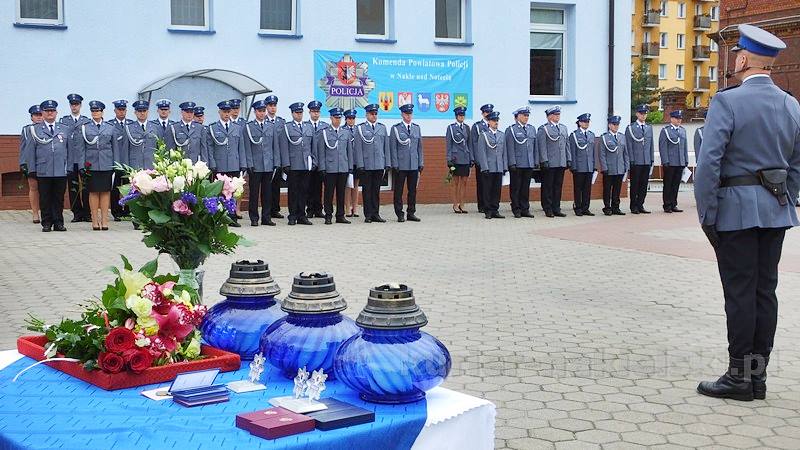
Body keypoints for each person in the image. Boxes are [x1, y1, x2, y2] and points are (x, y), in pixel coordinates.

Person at [694, 24, 799, 401]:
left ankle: (739, 377)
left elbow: (709, 163)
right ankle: (758, 377)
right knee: (763, 293)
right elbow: (797, 164)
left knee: (739, 295)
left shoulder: (727, 101)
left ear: (741, 59)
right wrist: (783, 198)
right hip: (776, 212)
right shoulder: (791, 103)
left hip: (735, 213)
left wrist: (707, 214)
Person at [23, 100, 70, 232]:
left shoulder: (64, 129)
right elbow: (30, 151)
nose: (50, 113)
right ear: (42, 113)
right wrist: (32, 169)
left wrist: (70, 167)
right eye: (47, 111)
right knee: (45, 198)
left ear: (56, 113)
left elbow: (69, 150)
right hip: (43, 169)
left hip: (61, 169)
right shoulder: (35, 130)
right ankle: (47, 223)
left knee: (59, 198)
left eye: (52, 111)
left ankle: (59, 222)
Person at [77, 101, 123, 230]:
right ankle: (94, 220)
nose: (95, 113)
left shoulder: (110, 127)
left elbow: (115, 148)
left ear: (102, 112)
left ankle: (104, 220)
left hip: (106, 164)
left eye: (97, 111)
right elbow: (81, 149)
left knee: (105, 192)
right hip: (91, 165)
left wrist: (116, 165)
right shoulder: (85, 127)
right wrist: (81, 166)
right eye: (93, 111)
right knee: (93, 192)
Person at [206, 100, 247, 227]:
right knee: (221, 192)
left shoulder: (237, 128)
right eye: (224, 111)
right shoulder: (213, 128)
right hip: (220, 165)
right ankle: (220, 217)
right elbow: (210, 148)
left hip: (234, 165)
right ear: (219, 112)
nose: (227, 114)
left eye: (228, 111)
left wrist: (243, 163)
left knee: (233, 192)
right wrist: (212, 163)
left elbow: (242, 147)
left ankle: (232, 217)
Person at [243, 99, 280, 227]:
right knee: (254, 193)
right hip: (256, 165)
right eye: (260, 111)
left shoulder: (271, 126)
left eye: (264, 110)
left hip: (268, 164)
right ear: (255, 112)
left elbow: (275, 146)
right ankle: (254, 217)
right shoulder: (248, 127)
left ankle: (266, 217)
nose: (262, 113)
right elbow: (247, 147)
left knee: (267, 193)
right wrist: (249, 163)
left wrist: (276, 162)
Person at [278, 102, 315, 226]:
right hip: (293, 164)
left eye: (300, 113)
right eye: (297, 113)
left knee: (304, 190)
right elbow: (284, 147)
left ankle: (302, 215)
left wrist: (314, 161)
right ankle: (292, 215)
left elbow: (312, 146)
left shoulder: (308, 127)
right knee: (293, 191)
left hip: (306, 164)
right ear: (292, 113)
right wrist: (286, 163)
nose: (299, 115)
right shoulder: (287, 127)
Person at [354, 103, 391, 223]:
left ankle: (376, 213)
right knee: (367, 190)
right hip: (366, 165)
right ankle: (368, 215)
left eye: (375, 114)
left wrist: (387, 163)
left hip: (379, 164)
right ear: (366, 115)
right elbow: (358, 148)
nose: (374, 116)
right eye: (371, 114)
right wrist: (360, 164)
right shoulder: (361, 128)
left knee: (376, 190)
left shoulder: (382, 128)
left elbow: (386, 147)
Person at [316, 108, 354, 224]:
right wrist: (322, 167)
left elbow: (349, 151)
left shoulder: (345, 132)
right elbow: (321, 152)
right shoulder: (324, 133)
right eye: (335, 118)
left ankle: (340, 215)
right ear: (331, 118)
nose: (337, 120)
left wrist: (350, 167)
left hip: (342, 167)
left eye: (339, 118)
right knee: (329, 193)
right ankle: (328, 215)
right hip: (330, 168)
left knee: (341, 193)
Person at [60, 93, 91, 223]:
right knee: (73, 187)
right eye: (72, 104)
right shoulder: (64, 121)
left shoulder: (86, 121)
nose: (74, 106)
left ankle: (87, 213)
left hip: (83, 159)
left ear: (80, 105)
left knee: (86, 187)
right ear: (70, 105)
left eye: (76, 104)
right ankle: (77, 213)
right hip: (70, 159)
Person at [390, 103, 423, 222]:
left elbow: (419, 147)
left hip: (413, 164)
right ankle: (399, 213)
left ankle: (411, 212)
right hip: (401, 164)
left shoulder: (416, 128)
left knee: (412, 190)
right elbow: (393, 148)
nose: (408, 116)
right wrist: (395, 164)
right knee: (398, 190)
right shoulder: (396, 128)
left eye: (410, 114)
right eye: (406, 114)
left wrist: (420, 162)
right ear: (402, 114)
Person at [537, 106, 570, 217]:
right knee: (548, 186)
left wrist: (568, 159)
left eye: (558, 114)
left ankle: (556, 208)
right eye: (555, 114)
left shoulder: (563, 128)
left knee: (558, 186)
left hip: (561, 161)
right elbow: (542, 146)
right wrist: (544, 160)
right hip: (550, 162)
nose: (557, 116)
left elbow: (567, 145)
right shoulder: (544, 129)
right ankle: (548, 208)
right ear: (549, 116)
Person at [505, 107, 537, 218]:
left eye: (527, 115)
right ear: (518, 116)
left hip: (528, 163)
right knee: (516, 187)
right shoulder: (511, 130)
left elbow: (534, 147)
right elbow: (510, 147)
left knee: (525, 187)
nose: (526, 117)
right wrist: (512, 162)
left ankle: (525, 209)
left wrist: (535, 161)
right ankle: (516, 208)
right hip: (517, 164)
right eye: (524, 115)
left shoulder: (532, 129)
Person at [474, 111, 507, 219]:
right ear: (489, 122)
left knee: (496, 190)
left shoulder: (501, 135)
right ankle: (487, 210)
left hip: (498, 167)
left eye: (497, 120)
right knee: (487, 190)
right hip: (489, 167)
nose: (496, 122)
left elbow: (504, 152)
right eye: (493, 121)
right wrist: (484, 167)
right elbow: (482, 152)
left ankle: (495, 209)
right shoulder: (484, 135)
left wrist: (504, 167)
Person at [108, 100, 134, 222]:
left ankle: (128, 210)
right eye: (119, 109)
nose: (121, 111)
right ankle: (116, 211)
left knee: (130, 187)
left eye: (123, 109)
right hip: (116, 162)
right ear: (115, 111)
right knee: (116, 188)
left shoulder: (131, 125)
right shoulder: (110, 125)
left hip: (129, 162)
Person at [625, 105, 655, 214]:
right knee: (635, 184)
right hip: (636, 161)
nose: (643, 115)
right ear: (637, 114)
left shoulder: (649, 128)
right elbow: (629, 145)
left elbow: (651, 145)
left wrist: (651, 159)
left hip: (646, 161)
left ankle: (641, 204)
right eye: (641, 113)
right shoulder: (631, 128)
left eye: (645, 113)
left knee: (643, 184)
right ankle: (633, 206)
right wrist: (631, 160)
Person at [659, 110, 689, 213]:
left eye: (680, 118)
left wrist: (685, 160)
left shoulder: (682, 131)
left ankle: (673, 204)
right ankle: (667, 205)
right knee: (668, 184)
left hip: (680, 162)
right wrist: (665, 161)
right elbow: (663, 147)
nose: (679, 120)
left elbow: (685, 147)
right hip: (670, 162)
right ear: (672, 119)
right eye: (677, 118)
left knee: (676, 184)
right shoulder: (666, 131)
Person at [599, 115, 629, 216]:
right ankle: (607, 207)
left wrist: (626, 166)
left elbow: (625, 153)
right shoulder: (604, 137)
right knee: (607, 189)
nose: (616, 126)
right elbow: (602, 154)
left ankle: (616, 207)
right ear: (609, 125)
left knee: (617, 189)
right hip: (609, 168)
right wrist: (604, 167)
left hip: (619, 168)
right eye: (614, 124)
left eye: (617, 124)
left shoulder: (622, 137)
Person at [568, 113, 596, 216]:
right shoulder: (574, 135)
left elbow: (593, 152)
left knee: (587, 189)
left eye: (588, 122)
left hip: (589, 166)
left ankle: (585, 207)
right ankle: (578, 207)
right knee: (578, 188)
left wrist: (594, 165)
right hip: (579, 167)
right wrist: (573, 166)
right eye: (584, 122)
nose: (586, 123)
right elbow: (573, 152)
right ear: (579, 123)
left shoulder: (591, 135)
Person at [305, 100, 329, 219]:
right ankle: (309, 209)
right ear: (309, 112)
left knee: (319, 187)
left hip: (321, 161)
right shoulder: (305, 125)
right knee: (308, 186)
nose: (315, 114)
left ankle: (318, 209)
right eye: (313, 111)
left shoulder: (325, 126)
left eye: (317, 112)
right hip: (308, 161)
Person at [19, 105, 43, 224]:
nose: (38, 117)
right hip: (32, 163)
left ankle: (46, 213)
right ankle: (35, 213)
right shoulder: (26, 129)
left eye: (40, 115)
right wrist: (23, 163)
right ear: (31, 117)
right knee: (33, 188)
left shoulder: (49, 129)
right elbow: (23, 148)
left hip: (45, 163)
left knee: (46, 189)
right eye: (36, 115)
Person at [264, 95, 286, 220]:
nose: (273, 108)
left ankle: (275, 209)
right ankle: (267, 209)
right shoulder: (263, 121)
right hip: (267, 157)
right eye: (270, 106)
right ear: (266, 107)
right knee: (267, 185)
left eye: (274, 105)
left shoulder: (281, 122)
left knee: (276, 184)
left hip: (278, 158)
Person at [446, 106, 471, 214]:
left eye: (463, 115)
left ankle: (462, 204)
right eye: (460, 115)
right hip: (455, 159)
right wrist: (449, 159)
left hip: (465, 158)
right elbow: (448, 144)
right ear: (456, 116)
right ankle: (455, 204)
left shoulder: (467, 128)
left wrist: (472, 158)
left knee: (464, 182)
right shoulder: (451, 128)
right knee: (454, 182)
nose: (462, 117)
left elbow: (469, 144)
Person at [471, 104, 493, 213]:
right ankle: (482, 205)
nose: (488, 114)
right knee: (481, 183)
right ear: (483, 113)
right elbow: (474, 143)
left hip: (492, 160)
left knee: (491, 184)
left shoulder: (493, 125)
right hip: (481, 159)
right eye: (487, 112)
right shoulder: (477, 126)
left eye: (490, 112)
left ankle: (490, 204)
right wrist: (476, 159)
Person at [343, 109, 361, 218]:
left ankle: (356, 207)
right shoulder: (342, 130)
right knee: (347, 186)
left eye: (353, 118)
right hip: (346, 161)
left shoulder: (358, 130)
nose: (351, 120)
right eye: (349, 118)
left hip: (356, 161)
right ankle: (347, 207)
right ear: (345, 119)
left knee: (356, 185)